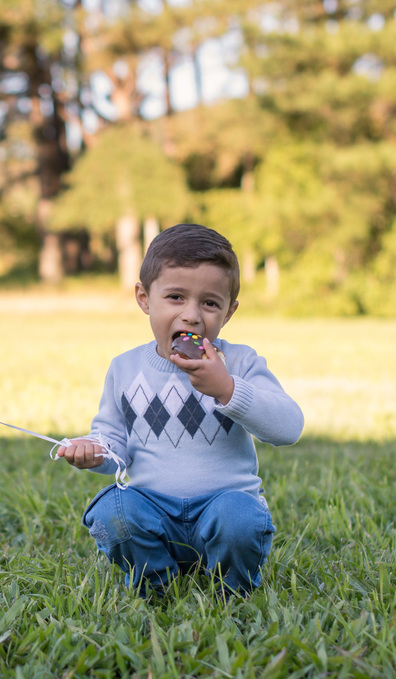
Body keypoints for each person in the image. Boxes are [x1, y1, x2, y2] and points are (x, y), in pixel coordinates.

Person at [57, 223, 303, 597]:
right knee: (113, 511)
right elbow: (113, 444)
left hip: (221, 508)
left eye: (209, 302)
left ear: (229, 311)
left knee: (240, 517)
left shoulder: (239, 364)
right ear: (144, 298)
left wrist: (227, 389)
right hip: (153, 510)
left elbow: (288, 428)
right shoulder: (124, 369)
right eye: (175, 297)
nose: (191, 316)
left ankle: (232, 590)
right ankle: (156, 585)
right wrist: (93, 450)